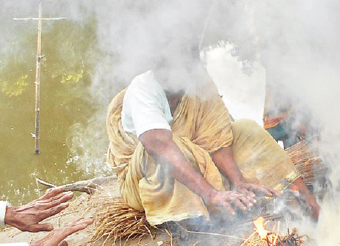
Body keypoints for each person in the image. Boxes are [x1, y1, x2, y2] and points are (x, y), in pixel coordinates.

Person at [106, 48, 321, 231]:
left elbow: (215, 137)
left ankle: (309, 205)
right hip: (145, 181)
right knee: (168, 149)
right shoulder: (142, 90)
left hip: (198, 164)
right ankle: (192, 225)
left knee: (245, 128)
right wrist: (212, 193)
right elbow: (159, 146)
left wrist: (238, 180)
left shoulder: (197, 80)